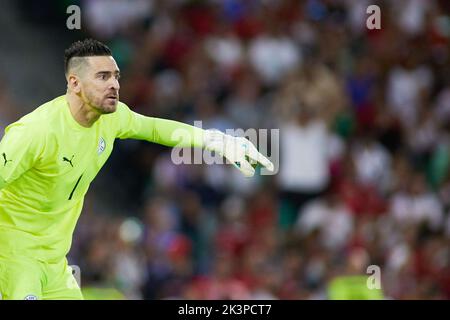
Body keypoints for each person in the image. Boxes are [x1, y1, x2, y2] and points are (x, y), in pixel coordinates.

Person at [0, 39, 273, 300]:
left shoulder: (112, 118)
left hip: (55, 262)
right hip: (17, 256)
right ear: (75, 83)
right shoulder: (35, 132)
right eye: (103, 77)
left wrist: (217, 140)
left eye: (116, 76)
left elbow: (155, 128)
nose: (115, 85)